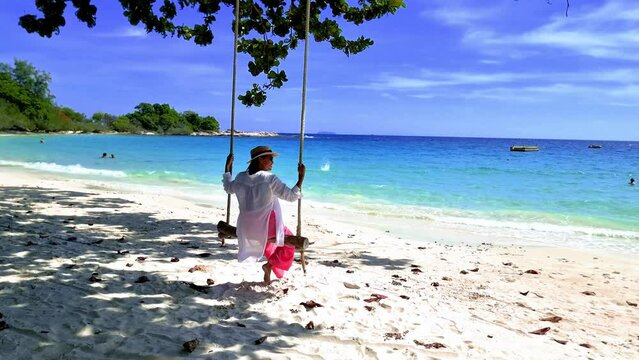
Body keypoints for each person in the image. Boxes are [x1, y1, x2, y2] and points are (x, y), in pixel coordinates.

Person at [223, 145, 305, 284]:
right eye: (270, 159)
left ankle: (269, 265)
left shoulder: (241, 177)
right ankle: (269, 265)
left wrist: (227, 167)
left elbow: (228, 188)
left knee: (270, 242)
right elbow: (291, 196)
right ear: (260, 159)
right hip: (266, 228)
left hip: (246, 228)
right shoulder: (270, 179)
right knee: (288, 243)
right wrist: (301, 178)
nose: (273, 162)